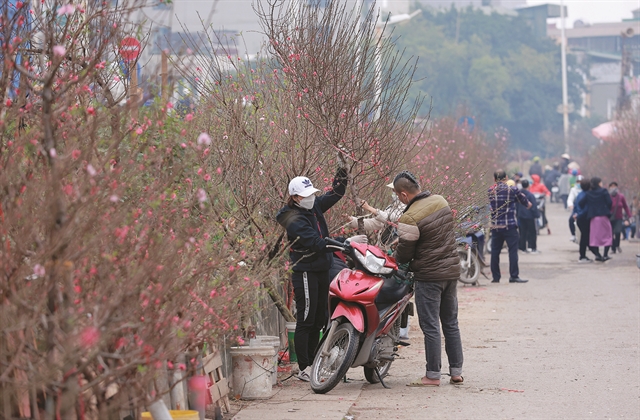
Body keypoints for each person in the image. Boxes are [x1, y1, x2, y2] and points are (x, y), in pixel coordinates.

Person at [391, 170, 463, 387]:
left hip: (429, 276)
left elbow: (404, 254)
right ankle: (456, 371)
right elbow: (438, 236)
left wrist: (396, 252)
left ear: (403, 195)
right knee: (450, 322)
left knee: (431, 326)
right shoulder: (441, 201)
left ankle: (432, 375)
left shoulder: (409, 217)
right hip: (450, 272)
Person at [276, 166, 347, 381]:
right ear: (295, 197)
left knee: (319, 318)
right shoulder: (292, 218)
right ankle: (304, 366)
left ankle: (316, 361)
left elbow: (335, 194)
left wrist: (342, 170)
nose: (311, 198)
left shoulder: (313, 206)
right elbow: (317, 243)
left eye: (312, 194)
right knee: (306, 319)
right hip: (305, 270)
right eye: (306, 196)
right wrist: (345, 243)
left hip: (322, 268)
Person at [488, 170, 532, 283]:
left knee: (495, 251)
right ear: (506, 178)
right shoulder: (512, 190)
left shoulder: (490, 191)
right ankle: (513, 276)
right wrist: (527, 204)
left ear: (494, 179)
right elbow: (525, 202)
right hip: (510, 226)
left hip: (496, 226)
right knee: (512, 251)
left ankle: (496, 277)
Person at [577, 177, 612, 262]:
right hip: (603, 216)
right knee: (608, 235)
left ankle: (597, 255)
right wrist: (606, 209)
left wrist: (590, 208)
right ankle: (605, 254)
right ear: (599, 183)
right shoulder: (604, 191)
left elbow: (580, 203)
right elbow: (609, 202)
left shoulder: (589, 193)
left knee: (594, 237)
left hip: (593, 217)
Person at [573, 179, 599, 263]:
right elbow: (586, 209)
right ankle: (584, 256)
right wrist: (580, 214)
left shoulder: (580, 194)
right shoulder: (588, 195)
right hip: (584, 218)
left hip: (580, 219)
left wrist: (575, 214)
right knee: (585, 237)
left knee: (584, 237)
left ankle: (586, 255)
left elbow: (575, 206)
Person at [517, 180, 540, 254]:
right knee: (532, 232)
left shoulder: (519, 194)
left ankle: (522, 248)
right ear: (528, 186)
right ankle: (532, 248)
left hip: (521, 216)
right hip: (529, 217)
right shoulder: (530, 195)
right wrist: (536, 215)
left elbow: (516, 206)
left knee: (522, 232)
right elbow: (533, 206)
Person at [608, 182, 631, 254]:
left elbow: (625, 206)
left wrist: (629, 215)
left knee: (617, 232)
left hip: (618, 218)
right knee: (610, 234)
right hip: (609, 218)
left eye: (614, 186)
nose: (613, 188)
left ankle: (617, 245)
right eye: (611, 186)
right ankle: (613, 248)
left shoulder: (621, 196)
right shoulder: (607, 196)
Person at [566, 175, 584, 242]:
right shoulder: (573, 190)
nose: (579, 183)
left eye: (580, 182)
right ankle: (573, 235)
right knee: (571, 219)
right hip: (577, 209)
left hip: (585, 209)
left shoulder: (586, 190)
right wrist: (570, 205)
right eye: (578, 182)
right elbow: (570, 199)